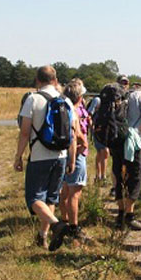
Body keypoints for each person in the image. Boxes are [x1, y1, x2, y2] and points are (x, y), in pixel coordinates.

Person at [14, 65, 77, 250]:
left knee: (34, 199)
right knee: (50, 199)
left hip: (40, 156)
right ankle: (43, 236)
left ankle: (57, 226)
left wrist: (18, 156)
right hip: (61, 156)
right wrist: (71, 159)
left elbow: (25, 132)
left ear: (38, 81)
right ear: (55, 80)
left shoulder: (33, 99)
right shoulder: (66, 100)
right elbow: (72, 134)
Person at [113, 76, 141, 230]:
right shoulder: (140, 96)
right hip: (134, 142)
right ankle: (129, 216)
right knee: (134, 177)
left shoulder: (120, 96)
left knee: (119, 175)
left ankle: (120, 213)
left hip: (117, 140)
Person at [61, 78, 92, 242]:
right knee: (74, 193)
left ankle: (64, 222)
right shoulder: (74, 111)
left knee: (65, 191)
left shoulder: (64, 108)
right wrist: (84, 141)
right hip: (76, 155)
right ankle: (74, 228)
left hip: (64, 154)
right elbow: (77, 133)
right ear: (79, 97)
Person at [86, 91, 109, 186]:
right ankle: (100, 176)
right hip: (97, 130)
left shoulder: (109, 101)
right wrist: (93, 128)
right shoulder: (97, 100)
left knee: (102, 152)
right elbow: (89, 115)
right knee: (103, 151)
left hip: (105, 130)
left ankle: (101, 176)